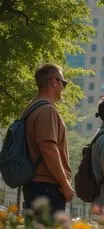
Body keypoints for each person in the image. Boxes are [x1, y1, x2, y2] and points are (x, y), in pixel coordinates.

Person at [24, 63, 73, 216]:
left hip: (35, 186)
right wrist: (65, 185)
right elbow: (48, 149)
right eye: (63, 83)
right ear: (54, 82)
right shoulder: (47, 110)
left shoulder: (30, 109)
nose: (63, 88)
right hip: (47, 187)